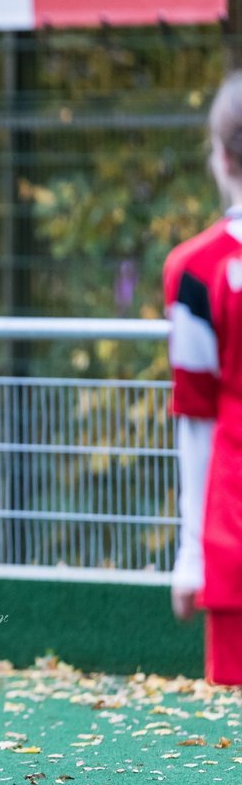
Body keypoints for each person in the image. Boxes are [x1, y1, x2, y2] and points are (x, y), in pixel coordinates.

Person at [166, 70, 242, 686]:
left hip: (233, 521)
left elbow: (197, 413)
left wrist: (191, 554)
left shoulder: (195, 270)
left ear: (220, 157)